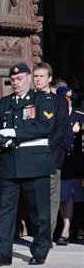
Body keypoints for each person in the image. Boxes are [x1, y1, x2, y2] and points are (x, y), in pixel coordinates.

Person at [0, 63, 55, 266]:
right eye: (13, 80)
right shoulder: (5, 102)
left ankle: (40, 251)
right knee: (5, 212)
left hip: (34, 164)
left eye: (19, 79)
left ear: (29, 78)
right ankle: (3, 253)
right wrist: (1, 138)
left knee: (38, 212)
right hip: (9, 164)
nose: (15, 83)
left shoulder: (42, 99)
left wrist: (16, 133)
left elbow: (45, 126)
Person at [32, 62, 69, 245]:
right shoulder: (29, 99)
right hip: (30, 157)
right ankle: (37, 232)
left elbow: (60, 129)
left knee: (51, 199)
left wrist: (45, 149)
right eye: (36, 76)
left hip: (51, 156)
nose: (38, 79)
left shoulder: (59, 102)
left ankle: (45, 236)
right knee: (33, 199)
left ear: (49, 78)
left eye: (41, 76)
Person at [55, 87, 84, 245]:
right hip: (59, 160)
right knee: (61, 197)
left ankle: (67, 229)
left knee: (71, 196)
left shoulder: (79, 115)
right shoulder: (56, 116)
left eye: (68, 99)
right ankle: (65, 228)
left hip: (74, 162)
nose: (66, 101)